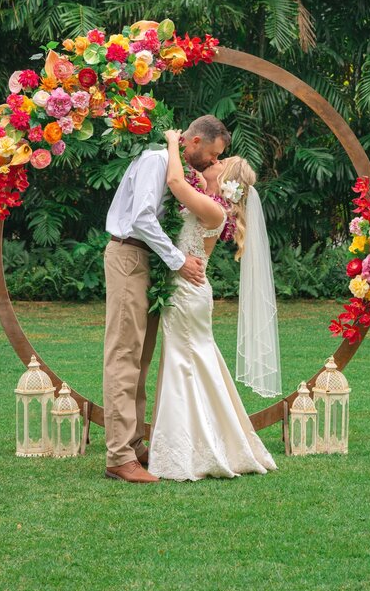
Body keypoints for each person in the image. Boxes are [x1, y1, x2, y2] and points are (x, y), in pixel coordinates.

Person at [102, 114, 230, 483]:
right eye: (210, 154)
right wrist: (178, 261)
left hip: (151, 261)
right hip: (130, 255)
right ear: (192, 141)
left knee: (141, 357)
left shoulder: (181, 170)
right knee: (124, 354)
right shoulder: (155, 160)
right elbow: (142, 217)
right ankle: (118, 456)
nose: (211, 162)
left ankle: (134, 443)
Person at [147, 129, 280, 482]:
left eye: (220, 162)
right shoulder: (206, 202)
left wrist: (173, 140)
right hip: (187, 291)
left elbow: (175, 179)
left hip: (187, 294)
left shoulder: (213, 210)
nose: (213, 161)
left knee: (184, 363)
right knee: (195, 363)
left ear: (223, 181)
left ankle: (186, 451)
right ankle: (202, 441)